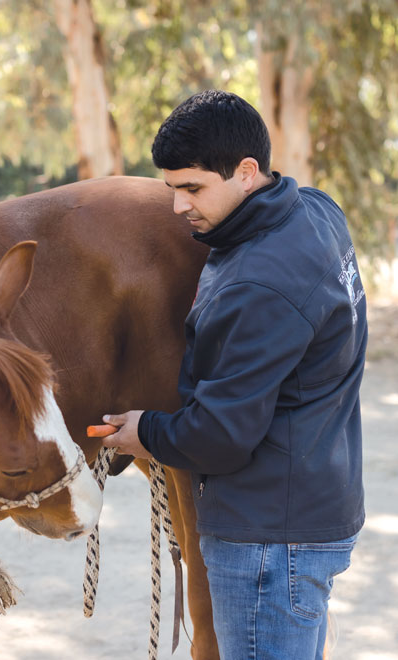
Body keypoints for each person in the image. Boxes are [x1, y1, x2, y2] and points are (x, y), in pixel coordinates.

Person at [102, 90, 366, 660]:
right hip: (311, 503)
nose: (178, 207)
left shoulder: (258, 286)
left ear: (247, 172)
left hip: (267, 542)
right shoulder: (316, 210)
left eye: (193, 188)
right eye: (172, 188)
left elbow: (219, 437)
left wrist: (145, 431)